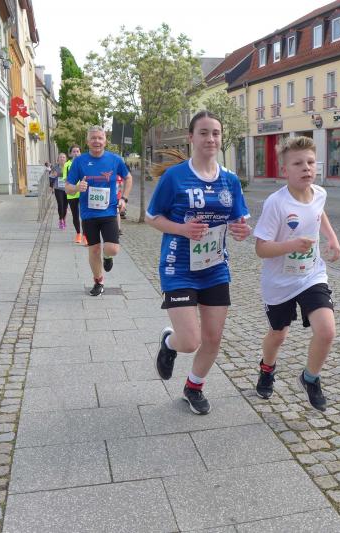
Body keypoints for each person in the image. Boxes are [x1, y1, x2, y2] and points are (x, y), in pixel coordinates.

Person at [147, 111, 251, 415]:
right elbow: (153, 217)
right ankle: (170, 343)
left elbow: (238, 220)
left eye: (215, 133)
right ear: (191, 137)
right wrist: (181, 229)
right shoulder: (175, 177)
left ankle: (194, 387)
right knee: (190, 341)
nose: (211, 138)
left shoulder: (230, 180)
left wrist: (242, 230)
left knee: (213, 338)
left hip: (215, 267)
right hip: (178, 267)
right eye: (204, 133)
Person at [252, 136, 340, 412]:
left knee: (326, 331)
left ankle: (310, 378)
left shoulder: (320, 193)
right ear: (285, 170)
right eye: (298, 163)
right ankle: (267, 369)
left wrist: (332, 238)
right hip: (279, 282)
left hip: (311, 275)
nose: (306, 168)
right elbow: (261, 249)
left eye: (310, 162)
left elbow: (318, 213)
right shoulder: (276, 203)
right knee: (278, 335)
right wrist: (290, 245)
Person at [65, 126, 133, 296]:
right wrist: (77, 187)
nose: (97, 141)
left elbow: (128, 177)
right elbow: (67, 187)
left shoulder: (115, 160)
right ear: (87, 141)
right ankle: (98, 281)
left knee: (112, 249)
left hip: (109, 212)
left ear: (105, 140)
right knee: (94, 250)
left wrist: (124, 199)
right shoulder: (79, 162)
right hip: (88, 214)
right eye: (93, 138)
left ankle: (107, 257)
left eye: (100, 138)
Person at [64, 145, 83, 244]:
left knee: (84, 215)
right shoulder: (67, 165)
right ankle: (78, 234)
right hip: (72, 193)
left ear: (80, 153)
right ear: (70, 154)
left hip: (83, 192)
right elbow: (65, 179)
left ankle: (86, 235)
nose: (76, 153)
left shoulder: (84, 163)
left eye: (77, 151)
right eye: (74, 151)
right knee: (75, 215)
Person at [51, 153, 68, 229]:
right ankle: (60, 220)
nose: (62, 158)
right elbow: (51, 177)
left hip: (67, 188)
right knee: (60, 204)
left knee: (65, 205)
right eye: (60, 157)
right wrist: (53, 175)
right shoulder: (55, 167)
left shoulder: (68, 167)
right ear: (58, 159)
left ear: (66, 159)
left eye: (63, 157)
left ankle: (64, 219)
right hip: (58, 188)